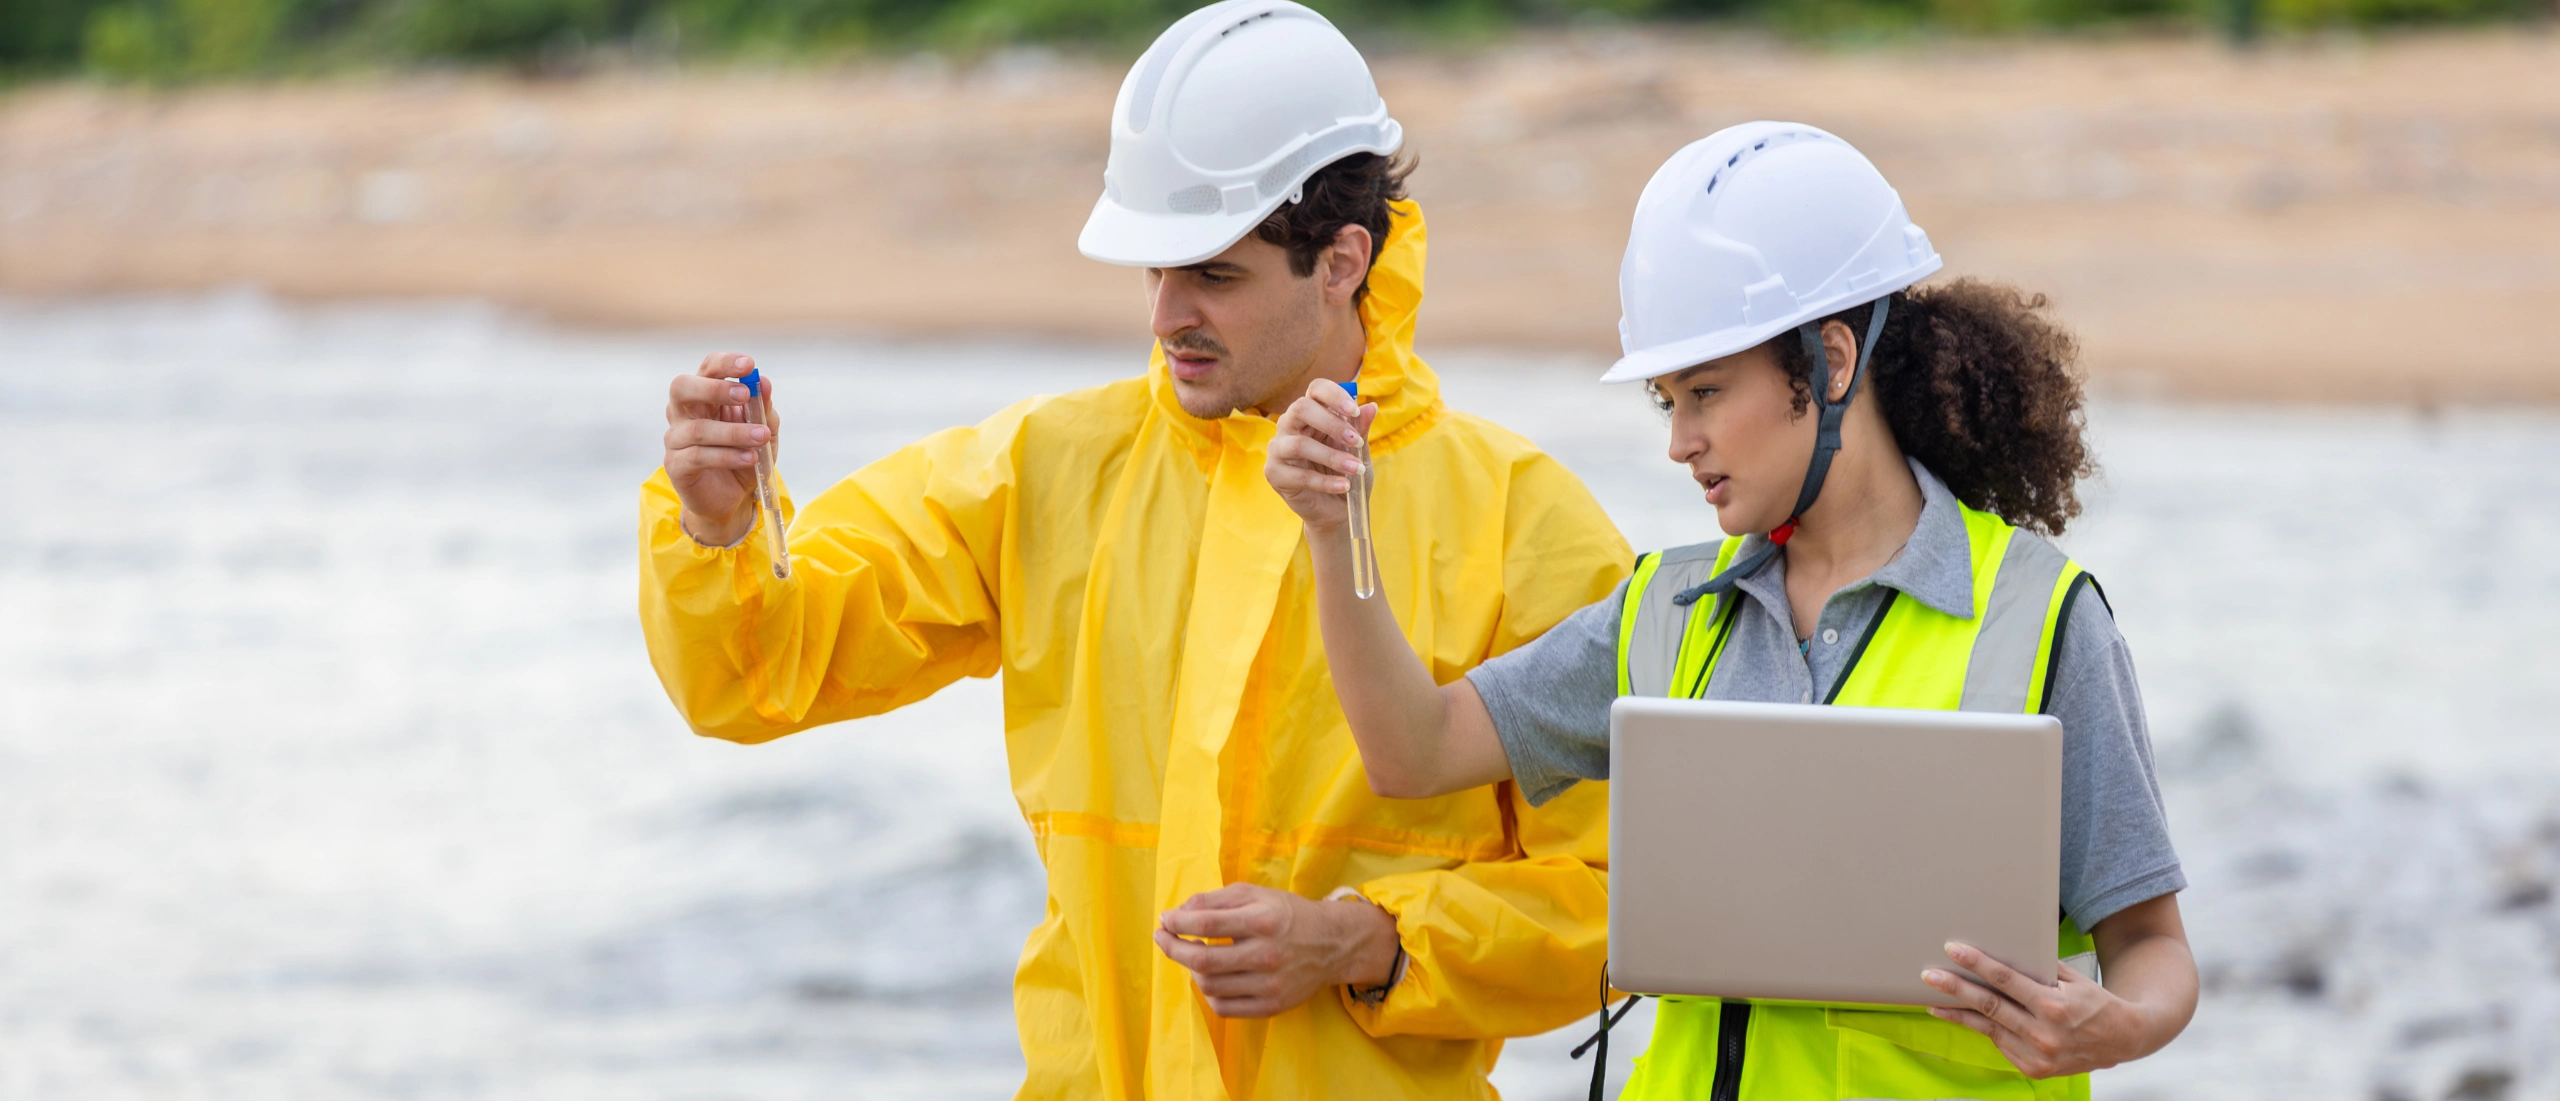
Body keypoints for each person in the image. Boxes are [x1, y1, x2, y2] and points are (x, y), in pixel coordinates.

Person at [636, 3, 1629, 1097]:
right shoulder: (1045, 467)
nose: (1165, 316)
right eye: (1153, 271)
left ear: (1342, 259)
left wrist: (1364, 941)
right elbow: (757, 675)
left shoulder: (1521, 520)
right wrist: (719, 529)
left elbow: (1624, 901)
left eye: (1212, 274)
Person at [1264, 122, 2198, 1099]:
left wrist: (2117, 1025)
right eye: (1667, 400)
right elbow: (1411, 751)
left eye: (1705, 392)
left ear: (1830, 362)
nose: (1681, 441)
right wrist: (1336, 529)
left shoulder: (2043, 619)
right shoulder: (1664, 612)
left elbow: (2150, 949)